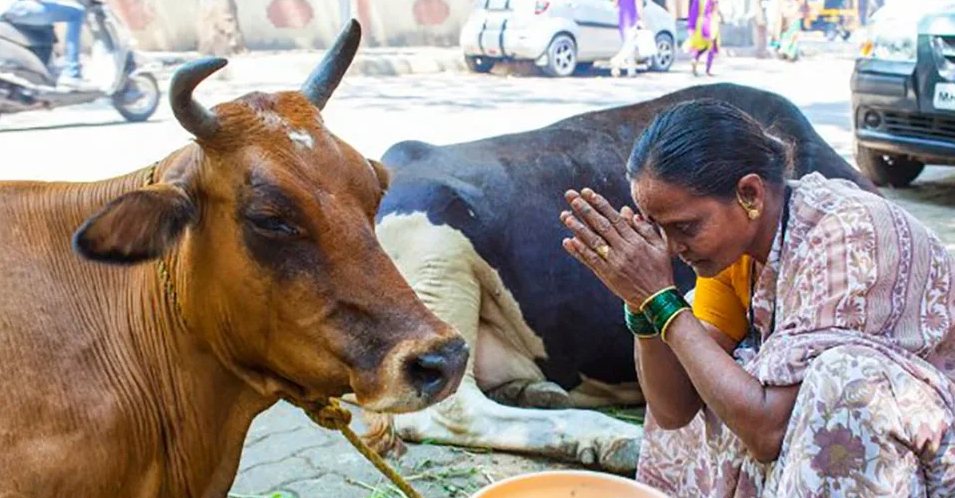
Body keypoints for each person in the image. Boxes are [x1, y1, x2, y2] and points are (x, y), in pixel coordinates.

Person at [559, 99, 955, 496]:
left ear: (750, 194)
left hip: (933, 458)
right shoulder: (733, 254)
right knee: (699, 358)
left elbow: (769, 432)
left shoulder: (850, 236)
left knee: (842, 378)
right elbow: (674, 412)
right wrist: (642, 303)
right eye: (658, 229)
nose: (671, 247)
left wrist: (664, 302)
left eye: (685, 226)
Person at [0, 0, 89, 88]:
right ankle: (71, 73)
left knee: (49, 14)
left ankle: (49, 67)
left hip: (7, 10)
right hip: (17, 7)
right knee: (77, 12)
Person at [684, 0, 720, 76]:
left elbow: (694, 12)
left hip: (700, 24)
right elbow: (716, 10)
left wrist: (691, 26)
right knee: (711, 47)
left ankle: (695, 59)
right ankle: (708, 70)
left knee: (702, 46)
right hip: (711, 23)